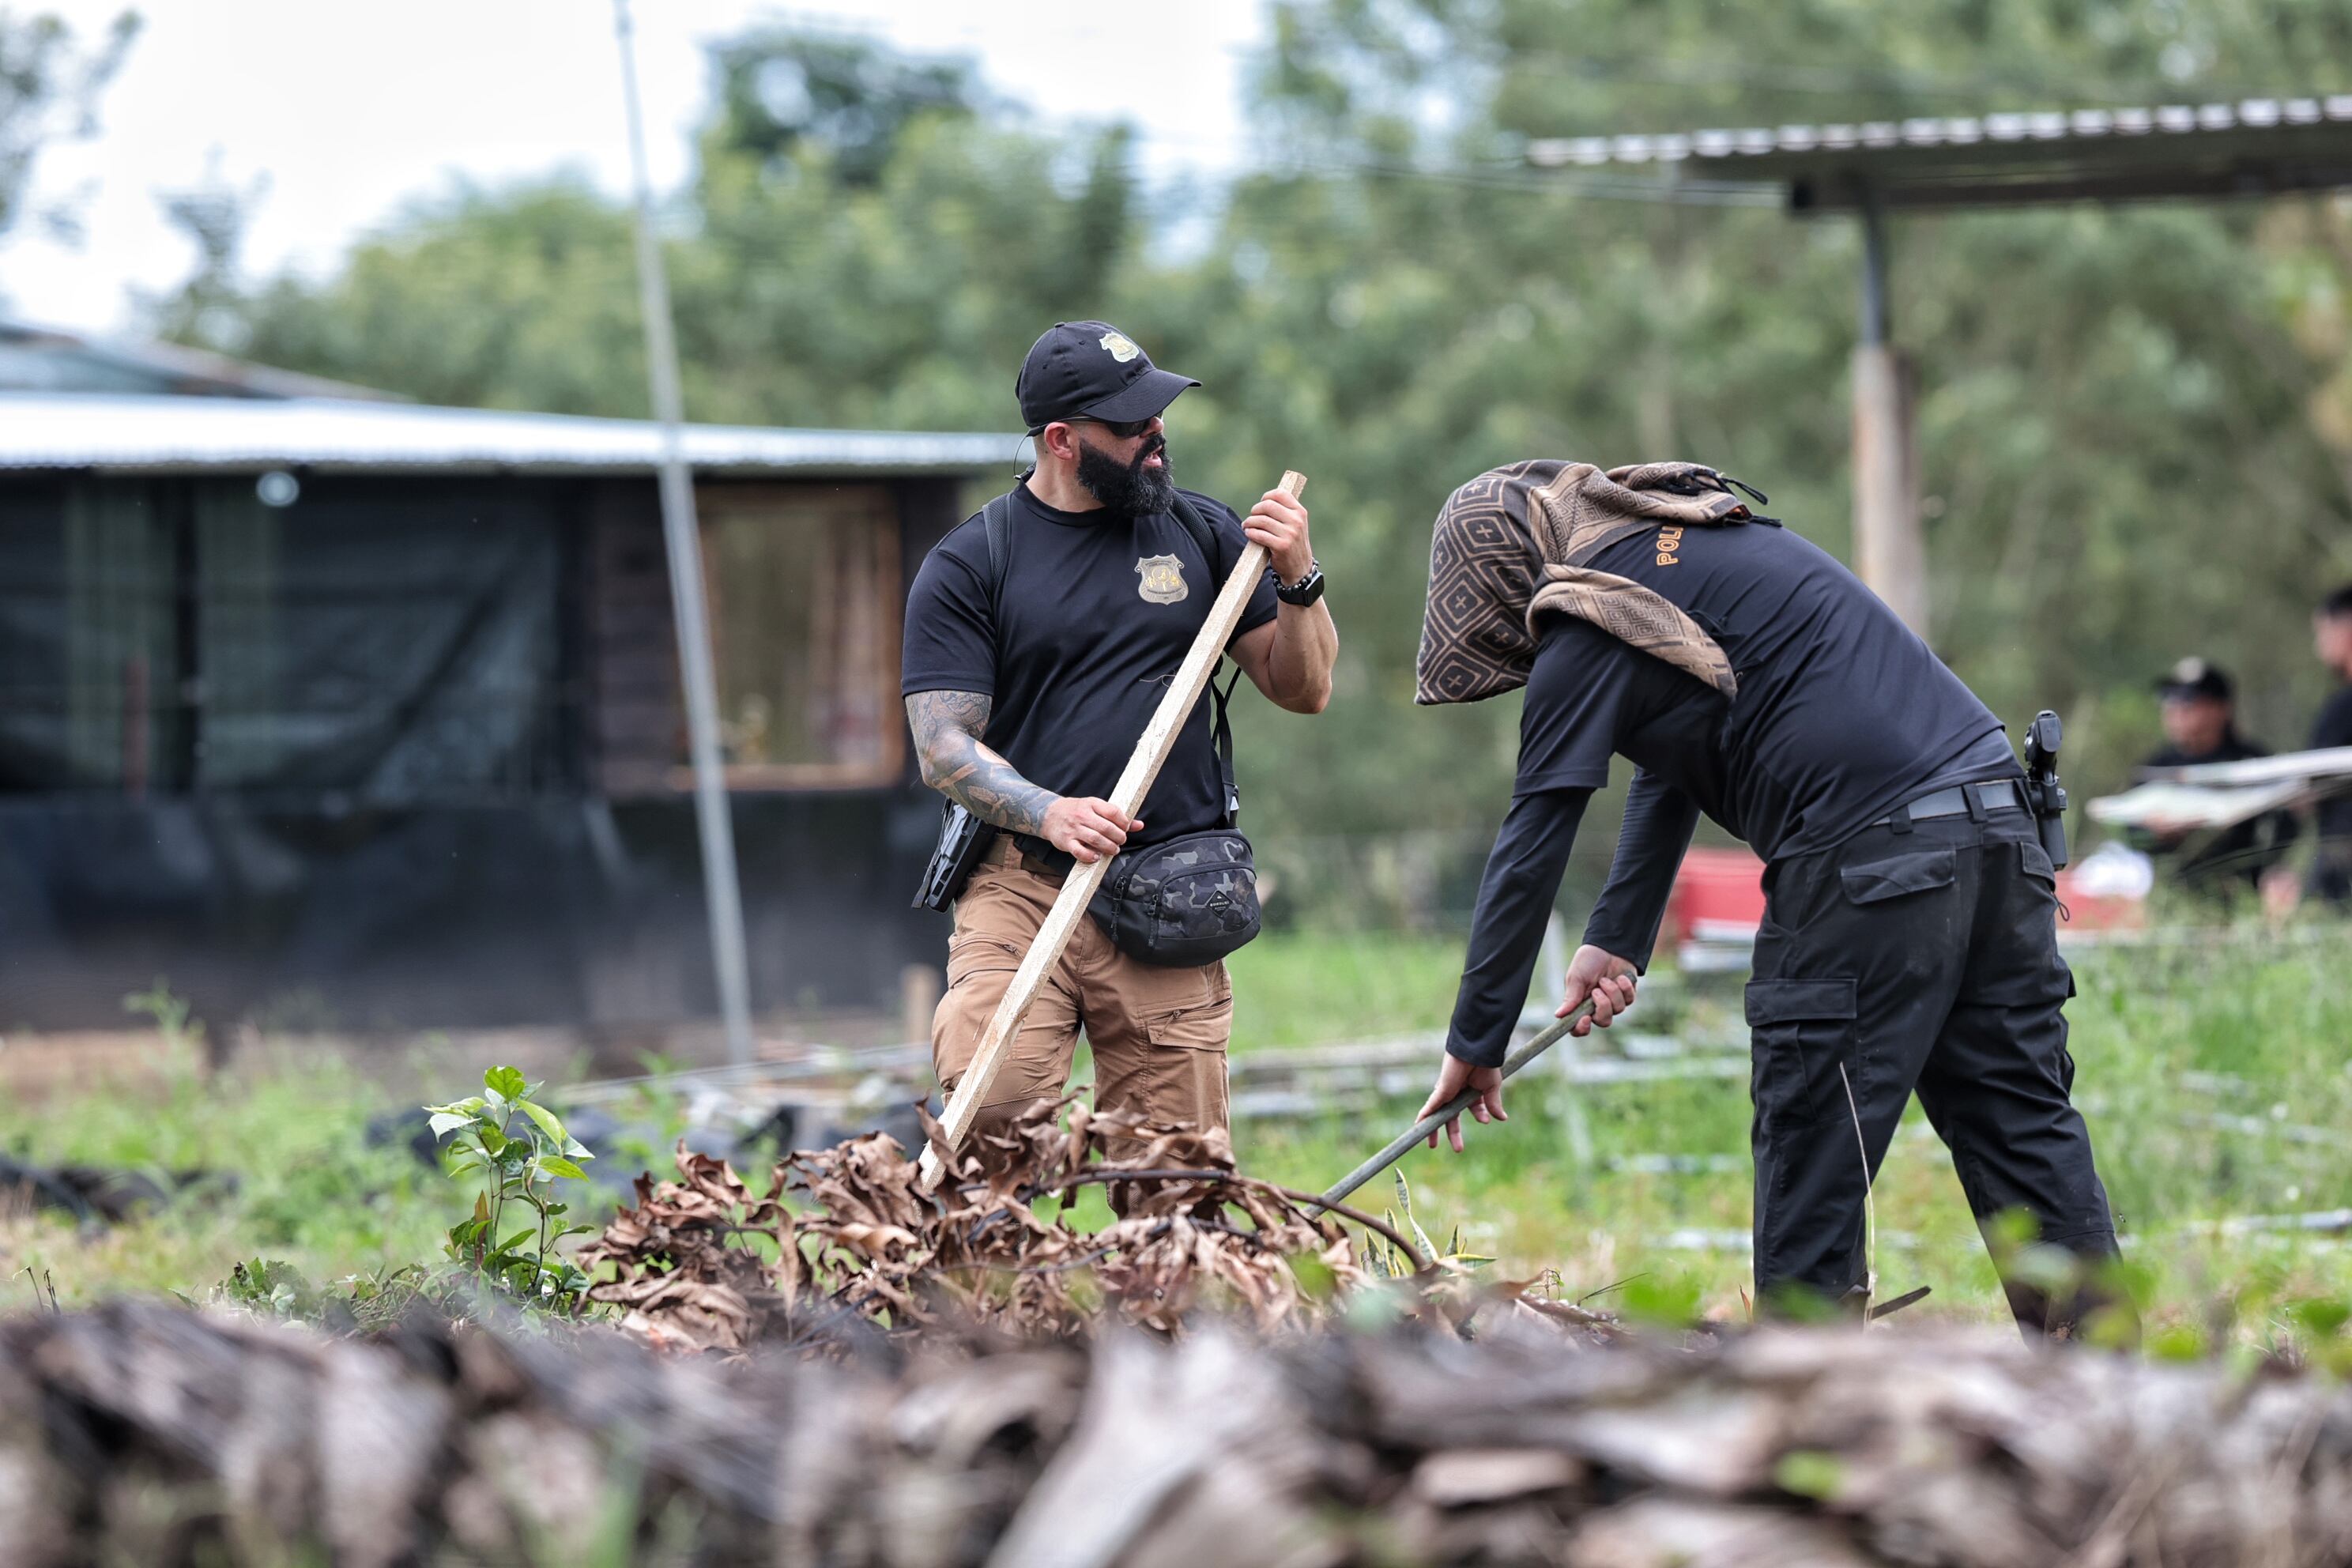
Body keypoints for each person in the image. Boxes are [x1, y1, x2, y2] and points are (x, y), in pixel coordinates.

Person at [1410, 459, 2118, 1336]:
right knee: (2026, 1134)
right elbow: (1673, 758)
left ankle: (1802, 1418)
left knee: (1813, 1151)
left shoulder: (1586, 616)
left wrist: (1476, 1038)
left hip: (1871, 866)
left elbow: (1533, 839)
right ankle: (2114, 1382)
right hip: (1999, 833)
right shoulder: (1694, 551)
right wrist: (1617, 937)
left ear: (1507, 579)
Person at [901, 321, 1338, 1148]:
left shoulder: (1205, 535)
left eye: (1158, 414)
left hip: (1171, 892)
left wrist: (1300, 579)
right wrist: (1048, 811)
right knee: (990, 1123)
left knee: (1174, 1174)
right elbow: (943, 748)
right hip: (1022, 885)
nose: (1156, 433)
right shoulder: (971, 563)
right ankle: (997, 1279)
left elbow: (1303, 687)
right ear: (1062, 440)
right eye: (1131, 424)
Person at [2130, 658, 2297, 897]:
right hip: (2174, 894)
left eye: (2188, 701)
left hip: (2244, 891)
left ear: (2221, 709)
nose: (2175, 710)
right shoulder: (2155, 768)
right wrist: (2155, 832)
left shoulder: (2253, 764)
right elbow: (2131, 835)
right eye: (2168, 698)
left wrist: (2272, 870)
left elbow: (2286, 825)